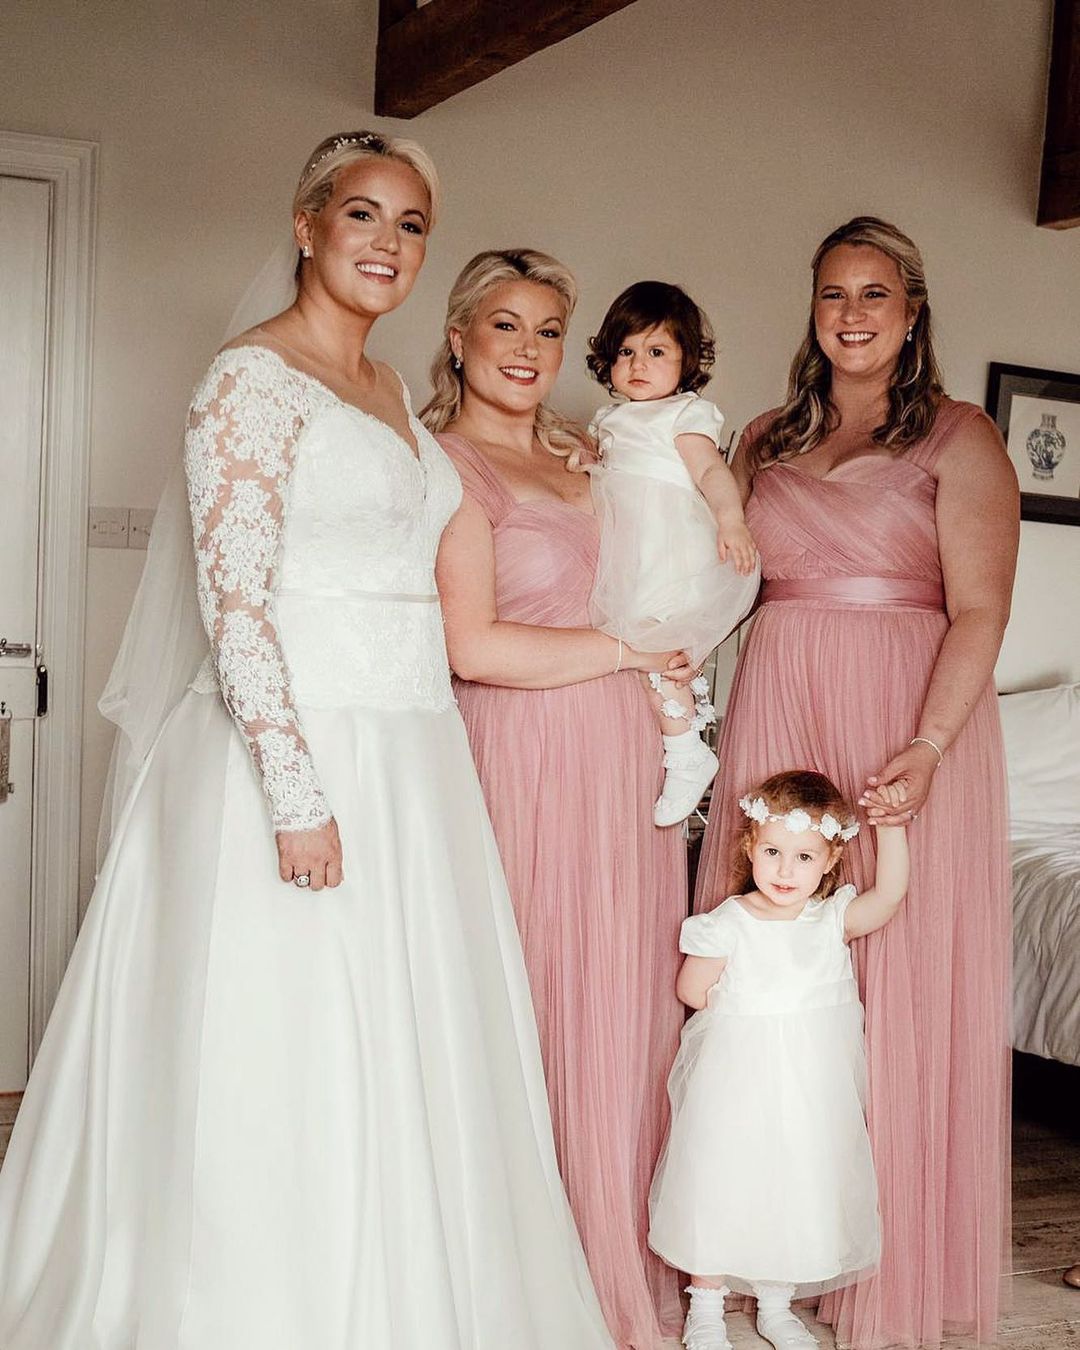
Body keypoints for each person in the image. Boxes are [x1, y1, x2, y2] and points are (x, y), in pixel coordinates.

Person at [0, 133, 612, 1350]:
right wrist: (294, 792)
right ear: (306, 226)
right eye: (363, 215)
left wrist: (572, 454)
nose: (388, 243)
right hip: (294, 757)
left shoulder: (389, 393)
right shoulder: (249, 379)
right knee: (287, 1045)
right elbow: (236, 604)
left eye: (411, 224)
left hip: (415, 760)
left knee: (411, 1039)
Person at [693, 216, 1018, 1348]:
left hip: (902, 721)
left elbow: (981, 609)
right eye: (834, 293)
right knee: (769, 982)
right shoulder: (763, 438)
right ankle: (754, 1250)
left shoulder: (962, 437)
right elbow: (703, 579)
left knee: (891, 980)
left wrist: (928, 745)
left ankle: (882, 1262)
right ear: (814, 306)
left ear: (913, 310)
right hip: (780, 704)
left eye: (876, 294)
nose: (853, 314)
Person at [426, 249, 690, 1349]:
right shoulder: (443, 467)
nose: (528, 349)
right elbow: (474, 647)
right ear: (458, 339)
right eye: (505, 324)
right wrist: (628, 650)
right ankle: (518, 1273)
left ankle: (606, 1249)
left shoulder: (594, 452)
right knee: (530, 994)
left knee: (621, 998)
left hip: (624, 755)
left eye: (546, 329)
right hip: (520, 750)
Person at [650, 770, 909, 1350]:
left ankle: (775, 1304)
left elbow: (890, 895)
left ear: (830, 860)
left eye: (803, 857)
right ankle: (706, 1306)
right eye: (772, 852)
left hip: (808, 1092)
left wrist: (891, 827)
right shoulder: (729, 921)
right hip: (738, 1084)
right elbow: (692, 990)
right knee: (720, 1180)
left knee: (794, 1183)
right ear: (750, 847)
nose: (785, 870)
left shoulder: (830, 920)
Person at [585, 281, 759, 826]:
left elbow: (710, 471)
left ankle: (686, 752)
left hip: (667, 547)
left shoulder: (684, 413)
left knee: (658, 645)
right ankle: (666, 744)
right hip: (626, 550)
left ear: (686, 361)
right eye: (626, 351)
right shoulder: (608, 419)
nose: (638, 364)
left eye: (656, 351)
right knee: (632, 647)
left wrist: (731, 520)